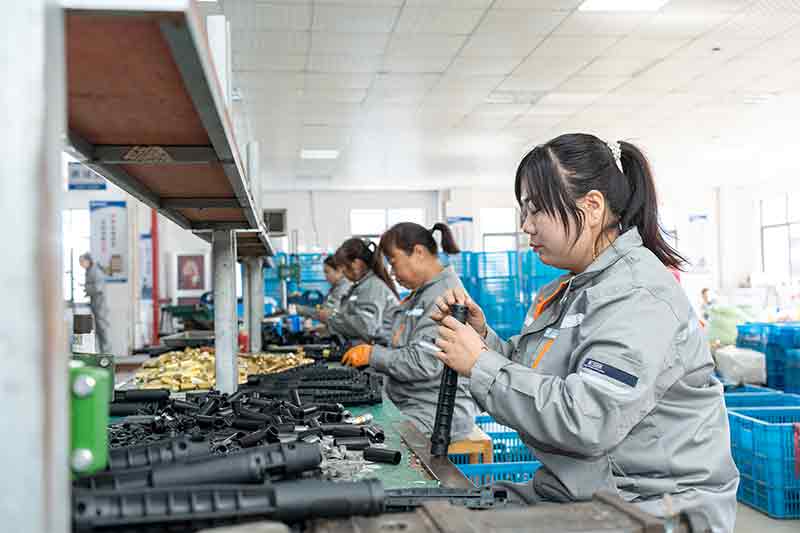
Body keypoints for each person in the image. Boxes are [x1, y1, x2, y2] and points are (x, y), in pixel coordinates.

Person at [431, 134, 738, 532]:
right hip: (580, 489)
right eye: (523, 211)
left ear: (592, 206)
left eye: (536, 209)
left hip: (653, 507)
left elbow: (587, 420)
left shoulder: (637, 296)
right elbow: (535, 380)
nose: (526, 226)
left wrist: (480, 364)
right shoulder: (574, 289)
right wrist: (483, 340)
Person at [342, 223, 479, 440]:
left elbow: (424, 362)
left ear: (418, 252)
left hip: (434, 409)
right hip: (408, 400)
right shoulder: (421, 295)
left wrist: (372, 354)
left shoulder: (445, 295)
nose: (392, 272)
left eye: (393, 262)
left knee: (366, 440)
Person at [318, 239, 398, 345]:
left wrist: (331, 318)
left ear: (356, 264)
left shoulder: (372, 287)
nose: (342, 271)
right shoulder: (360, 286)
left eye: (343, 266)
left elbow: (365, 326)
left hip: (379, 350)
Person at [79, 252, 112, 354]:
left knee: (102, 328)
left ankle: (106, 352)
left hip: (100, 305)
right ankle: (102, 351)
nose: (81, 264)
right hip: (95, 304)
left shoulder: (96, 271)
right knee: (98, 330)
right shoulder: (89, 271)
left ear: (88, 260)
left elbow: (98, 288)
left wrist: (87, 289)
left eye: (82, 261)